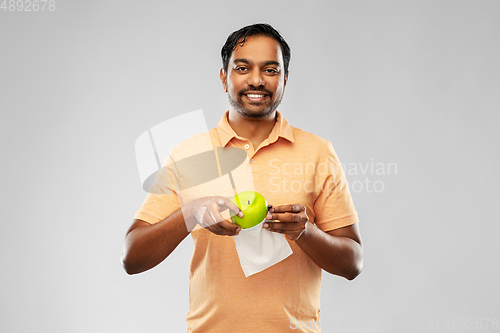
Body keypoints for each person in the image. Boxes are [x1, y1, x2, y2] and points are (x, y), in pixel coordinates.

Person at [122, 23, 363, 332]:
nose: (256, 80)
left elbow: (352, 263)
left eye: (271, 70)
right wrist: (192, 213)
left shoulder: (317, 152)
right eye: (242, 67)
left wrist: (305, 231)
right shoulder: (189, 153)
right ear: (224, 77)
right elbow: (132, 257)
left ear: (285, 79)